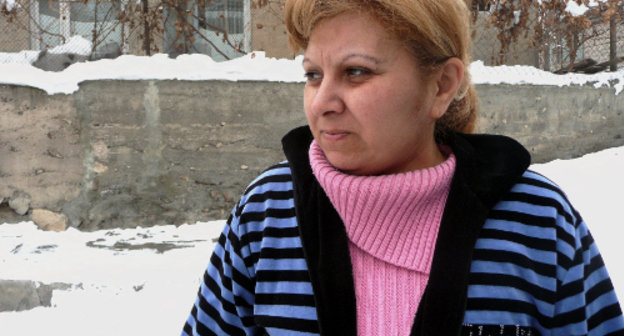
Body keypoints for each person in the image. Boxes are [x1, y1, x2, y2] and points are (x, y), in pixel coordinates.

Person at [181, 0, 624, 335]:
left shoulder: (535, 220)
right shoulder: (268, 213)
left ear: (441, 85)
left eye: (356, 72)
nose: (322, 103)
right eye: (313, 75)